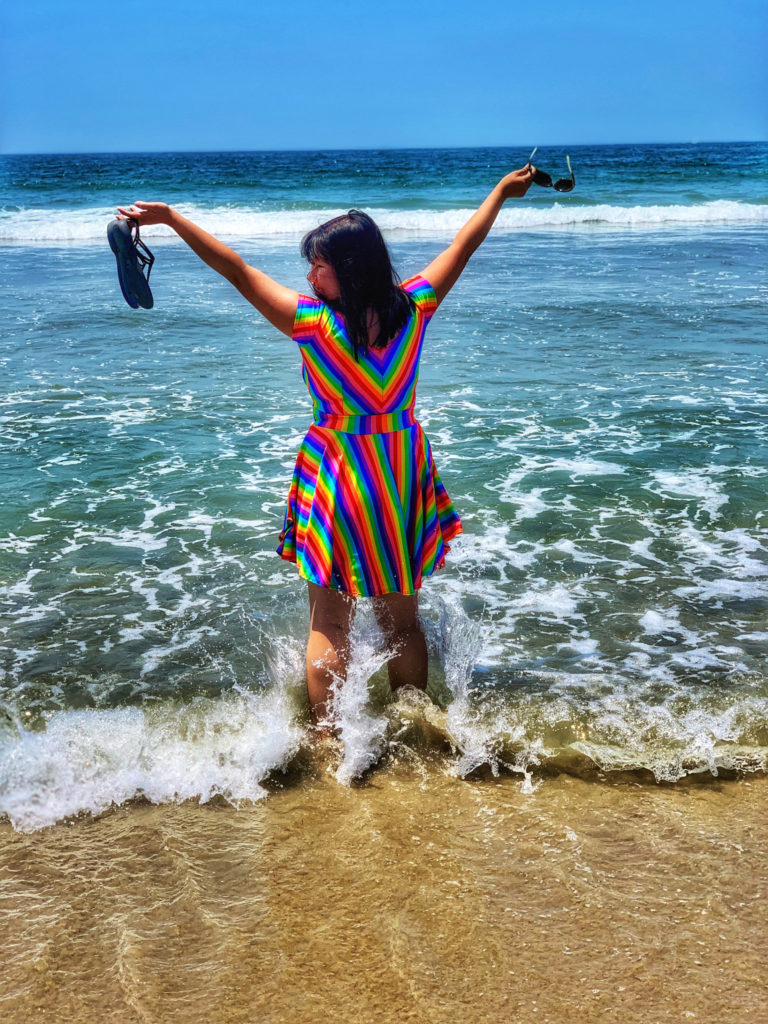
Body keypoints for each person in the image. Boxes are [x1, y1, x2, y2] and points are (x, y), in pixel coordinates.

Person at [116, 163, 535, 732]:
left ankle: (332, 742)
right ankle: (414, 728)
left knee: (330, 621)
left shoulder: (310, 324)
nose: (311, 274)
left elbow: (235, 270)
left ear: (350, 270)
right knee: (401, 621)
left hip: (337, 472)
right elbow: (465, 243)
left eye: (320, 265)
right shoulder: (415, 308)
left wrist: (170, 219)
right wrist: (502, 192)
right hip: (400, 473)